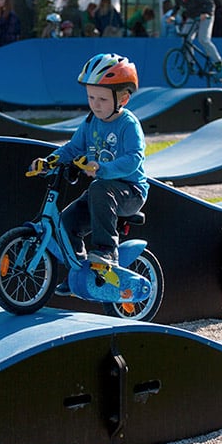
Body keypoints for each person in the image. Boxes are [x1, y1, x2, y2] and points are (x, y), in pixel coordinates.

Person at [30, 53, 147, 284]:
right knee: (66, 222)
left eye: (102, 99)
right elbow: (73, 148)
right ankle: (81, 273)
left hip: (130, 191)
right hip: (103, 191)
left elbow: (134, 159)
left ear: (122, 99)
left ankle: (107, 252)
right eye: (91, 97)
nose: (95, 104)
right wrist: (49, 162)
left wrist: (102, 168)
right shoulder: (91, 122)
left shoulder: (128, 125)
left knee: (99, 189)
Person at [171, 0, 222, 70]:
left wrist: (206, 14)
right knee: (185, 38)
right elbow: (177, 7)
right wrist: (172, 16)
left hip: (206, 16)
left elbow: (211, 4)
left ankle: (218, 62)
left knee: (203, 39)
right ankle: (190, 63)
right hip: (193, 17)